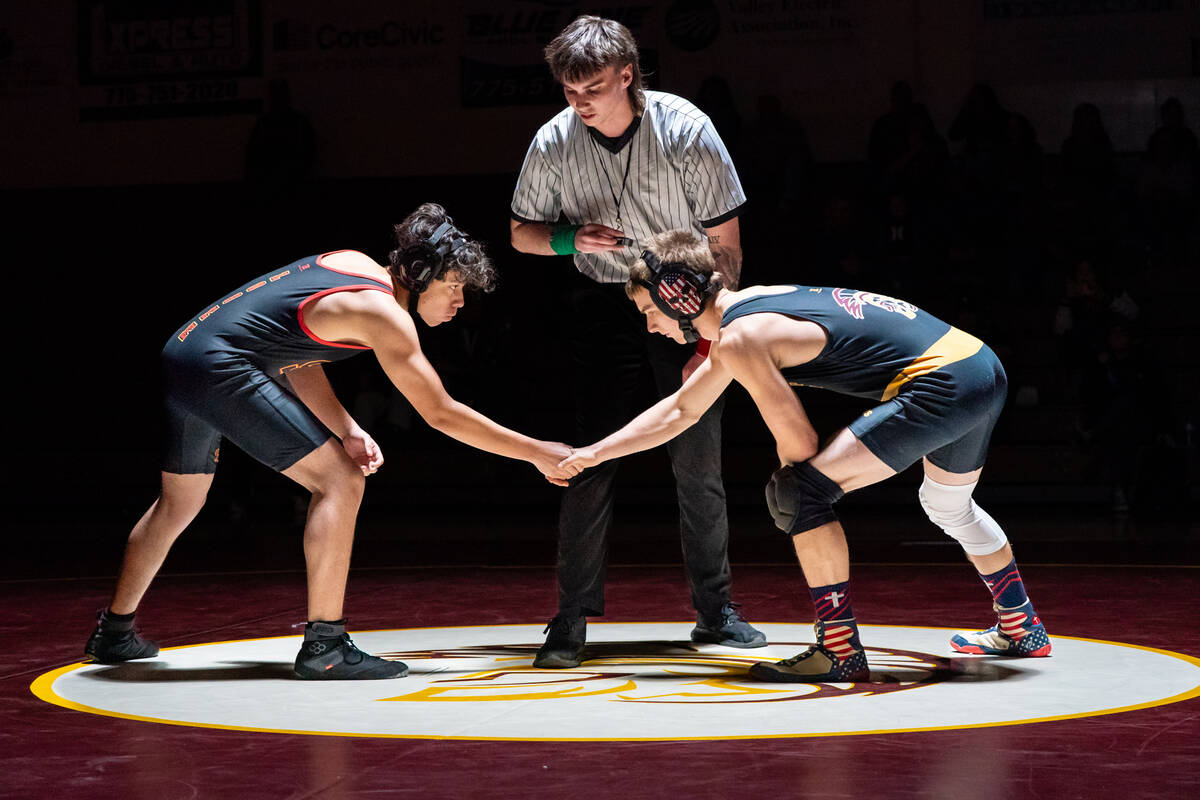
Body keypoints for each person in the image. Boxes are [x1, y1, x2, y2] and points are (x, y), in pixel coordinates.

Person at [85, 203, 573, 680]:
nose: (460, 303)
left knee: (179, 502)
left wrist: (348, 429)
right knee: (340, 481)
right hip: (218, 366)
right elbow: (441, 414)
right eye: (454, 287)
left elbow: (298, 355)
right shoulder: (384, 315)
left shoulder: (351, 264)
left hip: (184, 353)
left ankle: (114, 632)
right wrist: (536, 451)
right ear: (422, 273)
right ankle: (326, 645)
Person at [560, 231, 1052, 681]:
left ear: (678, 297)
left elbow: (799, 444)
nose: (649, 326)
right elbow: (681, 411)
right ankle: (1021, 624)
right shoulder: (748, 308)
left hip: (943, 384)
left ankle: (839, 649)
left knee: (798, 494)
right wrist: (596, 452)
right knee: (948, 506)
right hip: (977, 366)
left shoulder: (740, 338)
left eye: (649, 310)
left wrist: (795, 485)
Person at [509, 15, 764, 668]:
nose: (580, 103)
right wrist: (568, 239)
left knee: (697, 462)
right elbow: (520, 233)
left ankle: (715, 612)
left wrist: (707, 337)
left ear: (628, 75)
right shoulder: (553, 140)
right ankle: (569, 619)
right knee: (589, 456)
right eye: (569, 91)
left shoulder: (686, 129)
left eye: (593, 87)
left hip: (682, 303)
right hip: (603, 303)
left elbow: (726, 245)